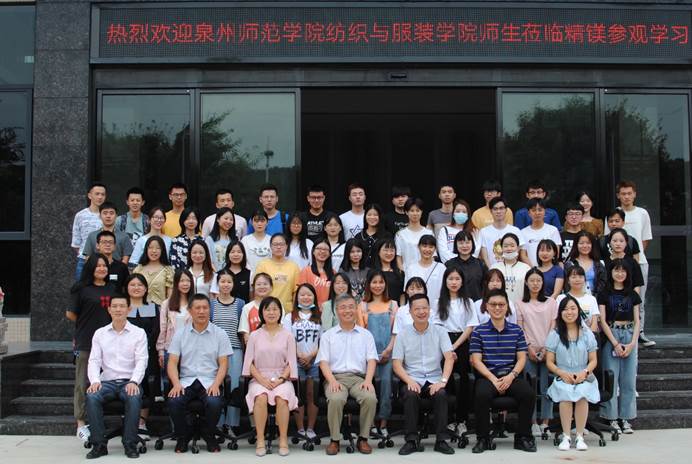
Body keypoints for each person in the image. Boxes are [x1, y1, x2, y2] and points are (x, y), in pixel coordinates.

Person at [469, 289, 537, 453]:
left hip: (511, 376)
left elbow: (522, 358)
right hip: (488, 377)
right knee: (481, 395)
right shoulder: (479, 331)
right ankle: (483, 439)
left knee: (528, 394)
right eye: (493, 304)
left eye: (501, 304)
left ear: (507, 307)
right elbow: (476, 361)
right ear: (487, 307)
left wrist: (511, 376)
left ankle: (523, 438)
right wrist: (493, 379)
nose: (497, 308)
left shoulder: (516, 330)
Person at [166, 294, 232, 453]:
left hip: (210, 381)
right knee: (174, 401)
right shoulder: (180, 333)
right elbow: (172, 362)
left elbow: (224, 364)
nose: (201, 311)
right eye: (197, 308)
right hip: (186, 381)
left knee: (214, 402)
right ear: (190, 311)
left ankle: (208, 435)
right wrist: (176, 384)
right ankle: (183, 436)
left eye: (205, 308)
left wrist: (216, 384)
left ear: (210, 310)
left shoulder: (220, 334)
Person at [85, 294, 148, 459]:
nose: (118, 309)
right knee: (92, 395)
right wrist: (95, 381)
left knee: (133, 396)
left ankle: (130, 444)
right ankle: (99, 445)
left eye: (122, 306)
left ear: (129, 309)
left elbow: (142, 361)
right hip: (107, 382)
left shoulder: (138, 333)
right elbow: (94, 360)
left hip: (129, 381)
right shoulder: (100, 333)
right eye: (114, 306)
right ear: (109, 309)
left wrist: (134, 381)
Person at [393, 294, 456, 455]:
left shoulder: (440, 331)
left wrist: (442, 381)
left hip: (434, 379)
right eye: (417, 309)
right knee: (410, 394)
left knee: (441, 394)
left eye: (424, 308)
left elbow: (449, 357)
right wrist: (409, 380)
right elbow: (396, 364)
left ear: (430, 309)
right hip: (411, 378)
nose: (421, 312)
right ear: (410, 312)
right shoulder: (402, 334)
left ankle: (441, 441)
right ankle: (411, 441)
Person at [317, 293, 379, 455]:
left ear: (356, 309)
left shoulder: (366, 335)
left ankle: (363, 438)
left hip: (359, 379)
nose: (347, 311)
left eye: (351, 307)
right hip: (335, 377)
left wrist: (368, 381)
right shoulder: (328, 335)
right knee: (336, 398)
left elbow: (372, 360)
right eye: (343, 307)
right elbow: (323, 362)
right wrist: (332, 381)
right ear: (336, 311)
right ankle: (334, 440)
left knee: (370, 398)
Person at [66, 254, 116, 443]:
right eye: (98, 266)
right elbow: (71, 314)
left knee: (107, 381)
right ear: (91, 268)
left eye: (104, 266)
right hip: (86, 341)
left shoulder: (113, 289)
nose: (102, 269)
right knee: (83, 383)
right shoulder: (81, 288)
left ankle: (99, 420)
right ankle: (81, 424)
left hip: (110, 343)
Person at [244, 296, 299, 456]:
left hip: (282, 378)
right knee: (260, 397)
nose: (271, 312)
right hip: (259, 378)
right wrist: (262, 380)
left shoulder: (288, 335)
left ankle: (283, 440)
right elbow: (249, 363)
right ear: (262, 313)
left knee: (282, 397)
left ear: (280, 312)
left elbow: (291, 362)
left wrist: (281, 379)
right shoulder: (254, 335)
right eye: (267, 309)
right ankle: (260, 439)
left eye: (275, 309)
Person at [545, 296, 600, 451]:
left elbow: (593, 360)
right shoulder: (555, 334)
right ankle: (566, 436)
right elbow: (549, 362)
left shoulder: (587, 333)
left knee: (582, 394)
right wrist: (561, 373)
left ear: (578, 311)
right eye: (565, 309)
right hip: (563, 375)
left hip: (584, 375)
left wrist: (585, 372)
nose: (569, 312)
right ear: (560, 313)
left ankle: (580, 436)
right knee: (566, 394)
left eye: (573, 308)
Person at [432, 267, 479, 436]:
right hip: (444, 341)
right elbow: (437, 325)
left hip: (462, 342)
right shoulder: (439, 301)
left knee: (464, 381)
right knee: (447, 380)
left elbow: (470, 326)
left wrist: (455, 346)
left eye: (457, 279)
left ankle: (462, 420)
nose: (454, 282)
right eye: (450, 279)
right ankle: (449, 419)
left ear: (462, 281)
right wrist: (447, 347)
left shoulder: (468, 301)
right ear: (445, 281)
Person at [608, 180, 654, 347]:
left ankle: (640, 332)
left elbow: (645, 239)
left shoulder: (642, 213)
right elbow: (609, 238)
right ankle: (618, 331)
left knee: (638, 299)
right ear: (618, 195)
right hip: (616, 265)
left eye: (629, 193)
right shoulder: (614, 213)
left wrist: (634, 258)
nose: (626, 196)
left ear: (634, 194)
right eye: (623, 194)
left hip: (638, 262)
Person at [598, 259, 641, 434]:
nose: (620, 274)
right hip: (611, 334)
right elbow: (602, 320)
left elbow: (637, 320)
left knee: (628, 380)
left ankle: (625, 418)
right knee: (611, 378)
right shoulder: (604, 293)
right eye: (616, 270)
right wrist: (615, 343)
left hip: (629, 334)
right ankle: (611, 418)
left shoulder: (633, 294)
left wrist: (632, 343)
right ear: (611, 272)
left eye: (623, 271)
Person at [515, 268, 558, 437]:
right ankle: (532, 422)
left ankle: (546, 421)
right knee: (529, 388)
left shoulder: (551, 302)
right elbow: (520, 328)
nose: (535, 284)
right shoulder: (520, 303)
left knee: (547, 386)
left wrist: (547, 347)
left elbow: (553, 326)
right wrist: (529, 347)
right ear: (526, 283)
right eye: (532, 280)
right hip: (528, 351)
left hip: (549, 350)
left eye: (538, 280)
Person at [358, 270, 398, 438]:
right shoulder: (362, 306)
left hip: (389, 353)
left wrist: (388, 350)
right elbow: (361, 333)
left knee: (386, 386)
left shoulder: (393, 305)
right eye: (374, 282)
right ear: (368, 285)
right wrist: (372, 355)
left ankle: (383, 422)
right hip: (369, 355)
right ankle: (371, 423)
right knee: (370, 387)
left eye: (381, 282)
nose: (377, 285)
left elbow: (396, 332)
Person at [282, 285, 322, 443]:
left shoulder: (319, 316)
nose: (306, 298)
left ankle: (310, 428)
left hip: (314, 361)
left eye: (309, 295)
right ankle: (300, 429)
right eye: (302, 295)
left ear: (314, 297)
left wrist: (311, 356)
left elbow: (323, 340)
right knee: (299, 394)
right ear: (296, 297)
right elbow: (287, 339)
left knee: (312, 395)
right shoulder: (289, 317)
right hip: (295, 361)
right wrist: (299, 355)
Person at [125, 273, 161, 438]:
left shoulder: (152, 308)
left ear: (146, 289)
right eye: (132, 285)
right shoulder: (122, 307)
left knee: (146, 387)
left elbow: (156, 331)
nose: (136, 288)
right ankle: (128, 421)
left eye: (140, 285)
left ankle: (141, 422)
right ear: (127, 288)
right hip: (125, 356)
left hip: (148, 354)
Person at [210, 270, 245, 433]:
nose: (225, 285)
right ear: (217, 283)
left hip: (235, 350)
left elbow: (242, 330)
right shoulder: (211, 304)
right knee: (216, 385)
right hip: (214, 352)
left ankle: (231, 424)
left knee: (234, 387)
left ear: (233, 284)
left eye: (229, 282)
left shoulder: (240, 304)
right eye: (222, 281)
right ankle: (217, 423)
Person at [156, 269, 193, 384]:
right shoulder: (166, 304)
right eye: (182, 281)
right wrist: (161, 351)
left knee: (188, 382)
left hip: (191, 349)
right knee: (170, 382)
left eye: (188, 281)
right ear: (176, 283)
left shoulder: (196, 303)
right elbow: (162, 328)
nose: (185, 284)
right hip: (170, 349)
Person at [256, 233, 301, 313]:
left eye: (281, 244)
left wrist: (295, 312)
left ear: (286, 246)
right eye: (275, 244)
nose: (278, 247)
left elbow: (296, 292)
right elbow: (257, 290)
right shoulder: (262, 265)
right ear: (270, 246)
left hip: (287, 311)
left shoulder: (294, 266)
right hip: (267, 311)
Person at [72, 182, 107, 280]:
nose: (100, 197)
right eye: (97, 194)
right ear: (89, 195)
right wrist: (86, 255)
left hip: (105, 261)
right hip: (84, 261)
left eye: (102, 194)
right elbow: (76, 243)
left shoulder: (109, 216)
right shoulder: (80, 215)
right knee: (82, 287)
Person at [478, 197, 527, 267]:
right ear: (491, 211)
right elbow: (485, 257)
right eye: (495, 209)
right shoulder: (483, 232)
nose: (498, 211)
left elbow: (518, 254)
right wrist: (492, 270)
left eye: (501, 208)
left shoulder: (515, 231)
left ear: (506, 210)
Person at [445, 230, 487, 301]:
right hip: (456, 304)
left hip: (477, 304)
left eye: (467, 242)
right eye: (461, 243)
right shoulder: (449, 264)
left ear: (472, 244)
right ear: (456, 245)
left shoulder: (480, 264)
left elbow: (486, 286)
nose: (464, 246)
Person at [489, 233, 532, 304]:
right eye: (505, 246)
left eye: (512, 246)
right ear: (501, 248)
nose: (509, 249)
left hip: (520, 307)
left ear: (518, 248)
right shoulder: (494, 267)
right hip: (499, 307)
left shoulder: (526, 268)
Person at [557, 266, 601, 332]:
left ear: (584, 280)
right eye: (573, 277)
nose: (577, 280)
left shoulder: (592, 299)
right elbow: (559, 320)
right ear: (568, 280)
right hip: (567, 335)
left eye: (580, 277)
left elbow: (594, 324)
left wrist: (588, 337)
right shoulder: (561, 298)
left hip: (588, 336)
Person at [133, 236, 174, 306]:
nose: (154, 251)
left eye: (158, 248)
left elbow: (170, 297)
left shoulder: (168, 270)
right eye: (150, 247)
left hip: (160, 309)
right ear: (146, 249)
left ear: (162, 250)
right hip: (140, 308)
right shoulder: (138, 269)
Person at [521, 198, 562, 267]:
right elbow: (523, 255)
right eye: (533, 210)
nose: (537, 213)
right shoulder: (523, 232)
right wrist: (533, 269)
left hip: (549, 269)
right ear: (529, 213)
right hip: (530, 270)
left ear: (545, 211)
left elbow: (556, 253)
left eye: (540, 210)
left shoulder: (553, 230)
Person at [395, 197, 434, 270]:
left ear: (421, 212)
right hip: (407, 272)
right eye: (412, 211)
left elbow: (433, 256)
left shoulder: (429, 233)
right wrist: (403, 272)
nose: (415, 213)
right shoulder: (400, 235)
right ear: (406, 212)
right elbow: (398, 257)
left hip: (426, 272)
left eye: (417, 210)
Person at [564, 231, 607, 297]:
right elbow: (566, 285)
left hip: (594, 299)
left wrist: (593, 298)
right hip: (573, 299)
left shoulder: (599, 264)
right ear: (576, 245)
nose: (585, 246)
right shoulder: (569, 264)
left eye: (588, 243)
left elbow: (602, 284)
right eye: (581, 243)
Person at [405, 235, 445, 303]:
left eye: (431, 247)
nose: (427, 249)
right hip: (416, 307)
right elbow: (406, 291)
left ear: (435, 249)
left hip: (437, 307)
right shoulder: (411, 268)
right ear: (418, 247)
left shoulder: (441, 268)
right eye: (424, 246)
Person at [603, 229, 644, 294]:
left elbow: (637, 285)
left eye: (621, 241)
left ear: (626, 243)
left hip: (628, 298)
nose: (618, 244)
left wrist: (636, 299)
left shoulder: (632, 262)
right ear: (610, 243)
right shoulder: (603, 263)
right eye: (615, 241)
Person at [297, 238, 333, 307]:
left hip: (328, 310)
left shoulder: (333, 273)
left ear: (329, 254)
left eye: (325, 249)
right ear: (313, 251)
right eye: (319, 248)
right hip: (311, 310)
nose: (322, 251)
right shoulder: (305, 271)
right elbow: (301, 295)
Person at [238, 273, 274, 343]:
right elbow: (246, 334)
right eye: (258, 284)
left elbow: (281, 330)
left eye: (265, 284)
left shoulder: (278, 307)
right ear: (253, 287)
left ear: (271, 287)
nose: (262, 287)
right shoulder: (247, 308)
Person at [356, 204, 390, 268]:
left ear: (380, 217)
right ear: (365, 217)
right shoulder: (358, 236)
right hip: (362, 271)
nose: (372, 217)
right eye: (369, 215)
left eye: (375, 215)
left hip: (381, 271)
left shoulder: (387, 236)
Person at [204, 207, 238, 272]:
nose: (228, 221)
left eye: (231, 219)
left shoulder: (235, 239)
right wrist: (218, 274)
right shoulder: (209, 239)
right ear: (218, 219)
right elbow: (209, 260)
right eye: (226, 218)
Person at [372, 238, 405, 304]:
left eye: (392, 250)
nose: (389, 253)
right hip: (377, 307)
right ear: (378, 252)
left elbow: (402, 295)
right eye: (386, 250)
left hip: (396, 308)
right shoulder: (372, 272)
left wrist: (401, 308)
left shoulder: (400, 273)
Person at [339, 238, 369, 303]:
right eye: (352, 252)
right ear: (347, 253)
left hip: (365, 305)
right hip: (348, 304)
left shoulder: (368, 270)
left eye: (358, 251)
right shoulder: (342, 271)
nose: (356, 254)